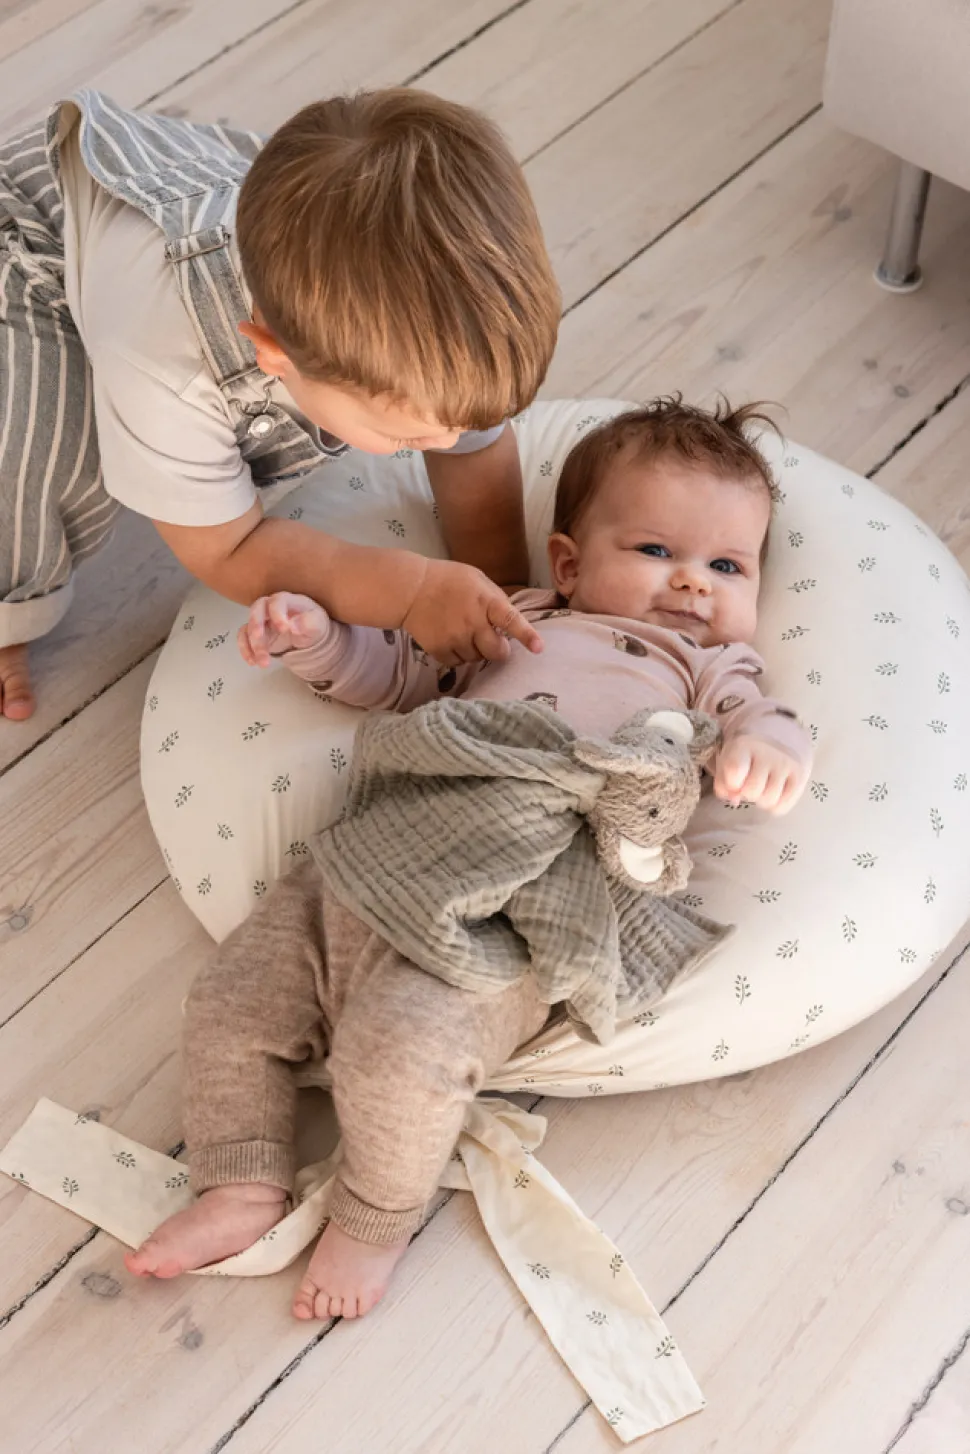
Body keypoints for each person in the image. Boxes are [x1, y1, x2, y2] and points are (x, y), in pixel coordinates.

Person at [124, 398, 812, 1320]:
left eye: (727, 566)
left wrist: (770, 752)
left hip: (517, 906)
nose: (693, 584)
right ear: (568, 563)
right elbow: (402, 680)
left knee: (400, 1053)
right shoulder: (516, 617)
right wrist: (321, 643)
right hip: (377, 853)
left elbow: (761, 717)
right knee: (231, 1000)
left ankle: (375, 1217)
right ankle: (239, 1180)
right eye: (655, 551)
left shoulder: (705, 667)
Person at [0, 87, 561, 719]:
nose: (445, 443)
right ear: (274, 356)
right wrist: (411, 592)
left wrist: (507, 590)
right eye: (407, 438)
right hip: (30, 248)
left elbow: (475, 455)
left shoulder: (415, 320)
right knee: (44, 463)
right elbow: (228, 550)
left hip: (177, 186)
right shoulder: (165, 367)